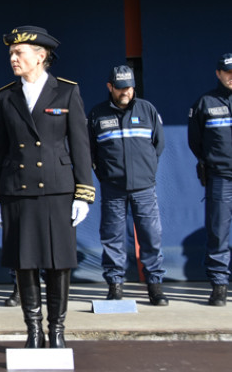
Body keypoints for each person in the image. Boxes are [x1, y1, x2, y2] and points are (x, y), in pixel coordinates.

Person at [0, 25, 95, 349]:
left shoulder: (66, 92)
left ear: (40, 56)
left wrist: (84, 192)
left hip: (59, 190)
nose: (13, 59)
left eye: (19, 53)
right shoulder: (5, 96)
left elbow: (80, 145)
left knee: (60, 262)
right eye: (11, 54)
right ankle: (34, 332)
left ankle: (57, 331)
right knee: (25, 262)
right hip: (17, 190)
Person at [88, 65, 168, 305]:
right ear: (110, 87)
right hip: (113, 189)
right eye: (120, 87)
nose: (125, 92)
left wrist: (147, 171)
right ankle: (115, 284)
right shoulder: (97, 114)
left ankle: (155, 286)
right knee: (112, 237)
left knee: (150, 236)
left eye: (129, 87)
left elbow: (158, 145)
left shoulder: (147, 110)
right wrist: (106, 175)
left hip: (144, 187)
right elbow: (91, 152)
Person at [187, 52, 232, 307]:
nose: (231, 76)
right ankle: (219, 286)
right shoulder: (205, 102)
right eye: (227, 72)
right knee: (218, 233)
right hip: (221, 178)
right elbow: (195, 141)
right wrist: (213, 161)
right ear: (218, 73)